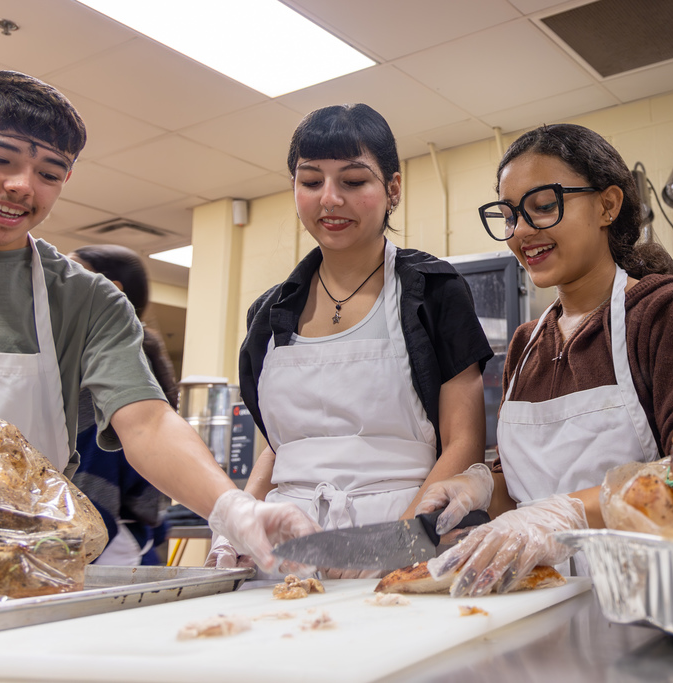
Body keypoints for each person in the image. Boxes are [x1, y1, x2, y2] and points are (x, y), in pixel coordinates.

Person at [0, 70, 319, 574]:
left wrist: (233, 508)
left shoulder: (85, 300)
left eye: (49, 174)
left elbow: (146, 422)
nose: (22, 186)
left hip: (20, 575)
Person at [414, 123, 673, 595]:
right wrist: (482, 488)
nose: (521, 231)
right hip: (542, 600)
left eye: (543, 206)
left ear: (608, 205)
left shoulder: (670, 313)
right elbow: (520, 489)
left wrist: (565, 514)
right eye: (509, 215)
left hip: (655, 600)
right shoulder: (526, 345)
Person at [205, 103, 494, 576]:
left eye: (353, 181)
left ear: (393, 188)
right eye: (310, 181)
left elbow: (463, 443)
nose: (329, 199)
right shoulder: (269, 314)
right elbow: (281, 447)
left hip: (406, 542)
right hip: (285, 554)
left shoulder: (434, 291)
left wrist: (394, 546)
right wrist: (235, 523)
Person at [68, 244, 178, 566]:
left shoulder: (114, 361)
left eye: (72, 271)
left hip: (103, 538)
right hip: (102, 531)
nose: (58, 281)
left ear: (111, 289)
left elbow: (98, 468)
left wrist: (69, 545)